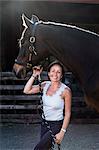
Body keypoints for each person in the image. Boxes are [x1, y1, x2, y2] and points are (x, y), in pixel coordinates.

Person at [23, 61, 72, 150]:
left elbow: (68, 113)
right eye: (53, 71)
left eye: (58, 72)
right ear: (49, 73)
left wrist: (62, 132)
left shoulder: (66, 91)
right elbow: (26, 90)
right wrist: (34, 75)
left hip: (56, 124)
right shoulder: (44, 85)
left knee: (38, 149)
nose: (55, 74)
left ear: (61, 75)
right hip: (44, 123)